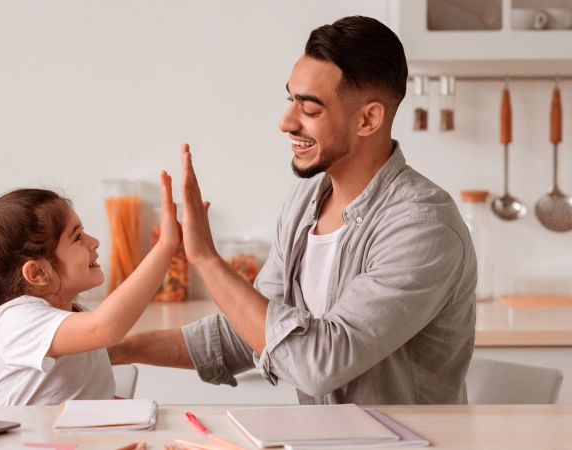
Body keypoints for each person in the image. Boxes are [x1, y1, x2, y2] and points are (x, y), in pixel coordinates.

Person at [108, 16, 477, 405]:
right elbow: (250, 329)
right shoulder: (305, 204)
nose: (286, 122)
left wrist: (204, 258)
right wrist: (119, 349)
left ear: (368, 119)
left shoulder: (422, 226)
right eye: (291, 101)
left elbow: (320, 365)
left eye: (310, 110)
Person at [0, 172, 180, 406]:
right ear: (38, 273)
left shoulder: (75, 316)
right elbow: (106, 327)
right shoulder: (18, 321)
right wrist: (166, 246)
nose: (94, 242)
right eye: (77, 237)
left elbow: (84, 397)